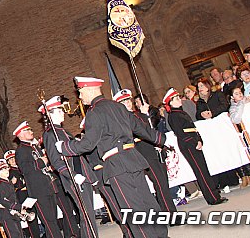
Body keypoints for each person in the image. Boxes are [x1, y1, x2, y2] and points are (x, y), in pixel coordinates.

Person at [56, 76, 168, 238]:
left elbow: (88, 144)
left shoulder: (94, 113)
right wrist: (162, 139)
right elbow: (140, 128)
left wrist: (65, 147)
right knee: (147, 201)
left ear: (89, 89)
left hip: (116, 165)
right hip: (133, 158)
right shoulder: (118, 106)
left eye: (80, 92)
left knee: (131, 208)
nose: (79, 97)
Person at [114, 90, 177, 221]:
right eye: (123, 101)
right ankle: (171, 216)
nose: (128, 103)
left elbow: (151, 129)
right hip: (143, 152)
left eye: (128, 100)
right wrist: (144, 115)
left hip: (153, 149)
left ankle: (167, 212)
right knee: (160, 184)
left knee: (163, 182)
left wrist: (147, 116)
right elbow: (137, 132)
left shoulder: (136, 115)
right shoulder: (122, 119)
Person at [41, 96, 98, 238]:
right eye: (59, 111)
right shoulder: (50, 134)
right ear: (50, 114)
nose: (63, 113)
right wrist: (73, 175)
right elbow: (55, 161)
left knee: (88, 215)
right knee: (86, 215)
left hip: (82, 175)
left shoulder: (64, 132)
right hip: (73, 178)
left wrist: (89, 175)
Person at [14, 121, 79, 238]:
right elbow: (25, 169)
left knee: (54, 218)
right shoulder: (21, 150)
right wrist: (41, 162)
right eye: (27, 130)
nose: (31, 132)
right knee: (49, 222)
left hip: (49, 186)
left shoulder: (34, 147)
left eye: (30, 129)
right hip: (38, 190)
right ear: (20, 135)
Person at [163, 88, 228, 206]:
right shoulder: (173, 115)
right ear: (170, 103)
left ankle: (214, 194)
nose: (179, 100)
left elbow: (192, 128)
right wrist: (194, 142)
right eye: (176, 98)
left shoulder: (180, 112)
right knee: (201, 171)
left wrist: (199, 139)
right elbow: (181, 133)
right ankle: (212, 197)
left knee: (203, 169)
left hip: (193, 142)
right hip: (188, 145)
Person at [4, 150, 41, 238]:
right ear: (8, 162)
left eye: (13, 158)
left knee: (37, 216)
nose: (12, 160)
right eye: (10, 159)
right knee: (31, 220)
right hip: (22, 195)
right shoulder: (10, 173)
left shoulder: (21, 168)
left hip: (30, 193)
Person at [228, 84, 250, 187]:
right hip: (247, 132)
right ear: (232, 97)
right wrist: (241, 104)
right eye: (236, 94)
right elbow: (235, 119)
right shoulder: (233, 107)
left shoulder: (249, 99)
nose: (240, 95)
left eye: (240, 93)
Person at [0, 158, 24, 238]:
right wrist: (18, 207)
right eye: (2, 170)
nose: (6, 170)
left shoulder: (8, 183)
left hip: (13, 213)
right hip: (7, 215)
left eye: (6, 168)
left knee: (20, 235)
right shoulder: (0, 184)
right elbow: (3, 201)